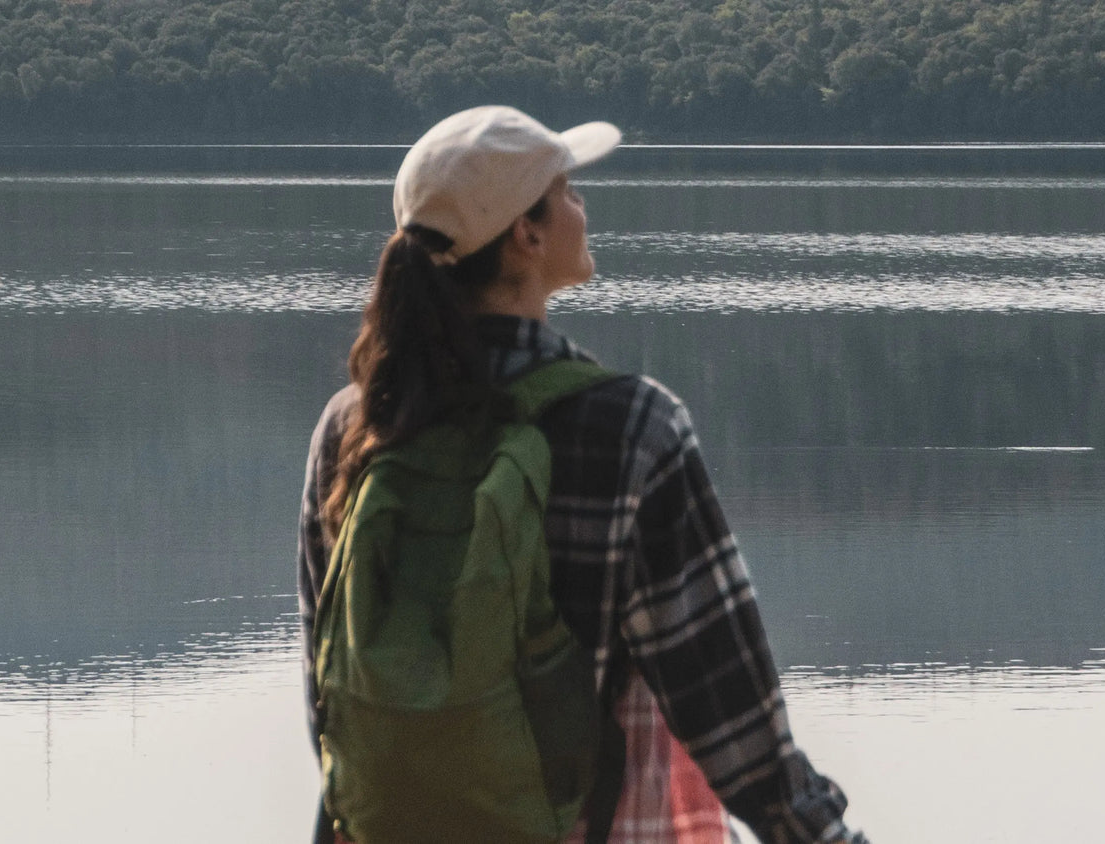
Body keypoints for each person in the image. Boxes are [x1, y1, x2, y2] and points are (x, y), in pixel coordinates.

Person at [298, 105, 867, 844]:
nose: (582, 206)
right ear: (526, 236)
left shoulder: (353, 429)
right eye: (566, 191)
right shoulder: (631, 431)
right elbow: (735, 723)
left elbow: (332, 702)